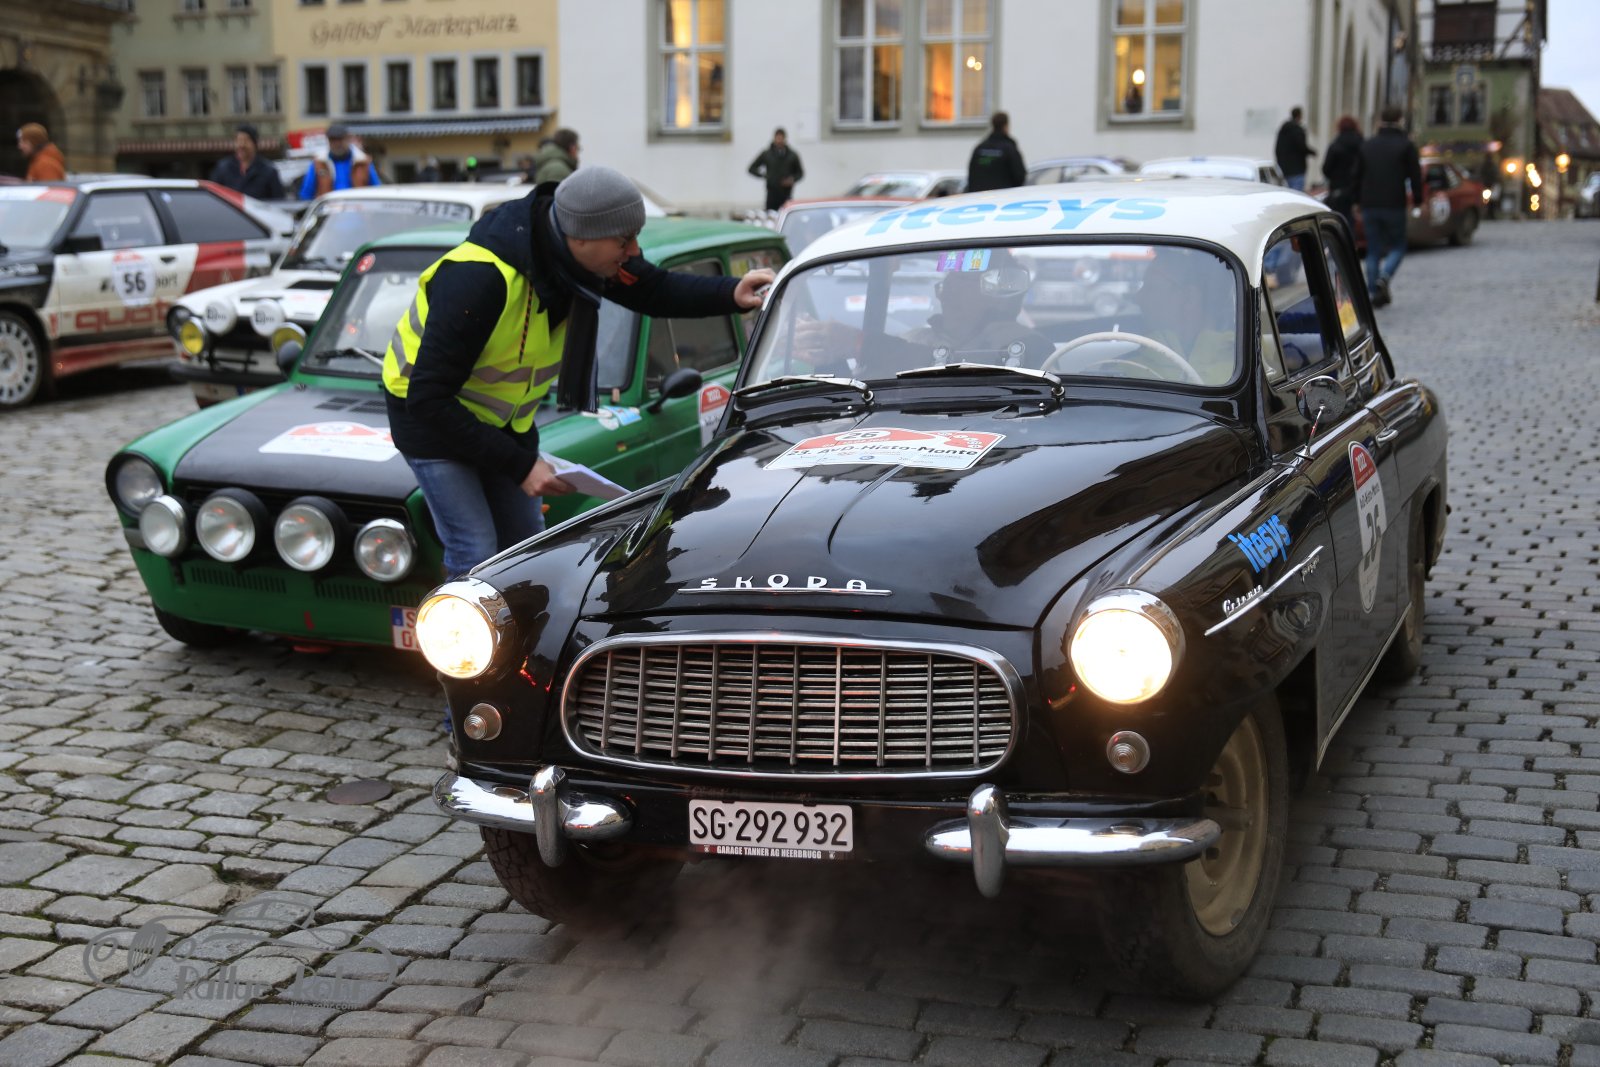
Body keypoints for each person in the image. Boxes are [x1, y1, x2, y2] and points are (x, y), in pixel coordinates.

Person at [381, 165, 774, 580]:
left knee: (525, 547)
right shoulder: (480, 279)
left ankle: (521, 624)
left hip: (501, 422)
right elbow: (429, 399)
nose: (633, 250)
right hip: (429, 418)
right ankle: (462, 622)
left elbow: (652, 288)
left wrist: (730, 292)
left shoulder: (576, 262)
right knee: (474, 550)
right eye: (624, 240)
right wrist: (520, 465)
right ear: (580, 236)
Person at [793, 250, 1048, 378]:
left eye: (964, 281)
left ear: (994, 291)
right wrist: (819, 349)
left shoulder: (1024, 343)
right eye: (949, 280)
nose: (950, 290)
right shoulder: (915, 338)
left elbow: (959, 374)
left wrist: (859, 343)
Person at [1131, 249, 1237, 384]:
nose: (1137, 298)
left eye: (1151, 287)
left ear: (1189, 298)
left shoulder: (1237, 367)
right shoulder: (1127, 366)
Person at [1355, 105, 1423, 308]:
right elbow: (1415, 175)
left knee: (1373, 250)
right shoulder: (1406, 146)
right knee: (1398, 246)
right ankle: (1384, 277)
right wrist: (1418, 200)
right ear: (1400, 120)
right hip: (1394, 203)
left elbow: (1357, 175)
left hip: (1370, 203)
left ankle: (1373, 291)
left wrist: (1357, 200)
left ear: (1380, 120)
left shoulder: (1368, 145)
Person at [298, 124, 380, 199]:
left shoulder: (363, 162)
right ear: (328, 141)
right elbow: (306, 194)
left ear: (348, 138)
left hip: (358, 208)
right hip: (328, 209)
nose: (337, 143)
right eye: (333, 140)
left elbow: (377, 191)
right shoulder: (318, 163)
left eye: (340, 139)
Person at [209, 124, 285, 200]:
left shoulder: (268, 171)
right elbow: (213, 197)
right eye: (238, 140)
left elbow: (279, 201)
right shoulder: (223, 168)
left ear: (255, 144)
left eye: (246, 140)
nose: (241, 145)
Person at [1320, 115, 1363, 231]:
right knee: (1351, 224)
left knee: (1337, 224)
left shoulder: (1335, 145)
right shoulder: (1362, 145)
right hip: (1356, 191)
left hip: (1338, 190)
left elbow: (1326, 169)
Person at [966, 112, 1026, 193]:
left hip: (980, 196)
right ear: (1005, 126)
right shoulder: (1009, 148)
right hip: (1004, 196)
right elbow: (1019, 176)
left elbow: (971, 175)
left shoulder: (980, 148)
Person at [748, 128, 803, 212]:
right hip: (772, 193)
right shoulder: (767, 154)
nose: (779, 141)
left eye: (781, 138)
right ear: (774, 138)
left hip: (786, 194)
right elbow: (752, 168)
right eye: (778, 138)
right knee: (771, 215)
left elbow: (800, 173)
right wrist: (765, 175)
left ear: (785, 139)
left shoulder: (792, 155)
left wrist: (792, 179)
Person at [1274, 106, 1317, 191]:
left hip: (1284, 169)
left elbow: (1277, 149)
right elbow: (1302, 147)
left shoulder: (1283, 130)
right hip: (1297, 169)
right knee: (1297, 193)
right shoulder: (1298, 131)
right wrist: (1312, 152)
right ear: (1300, 116)